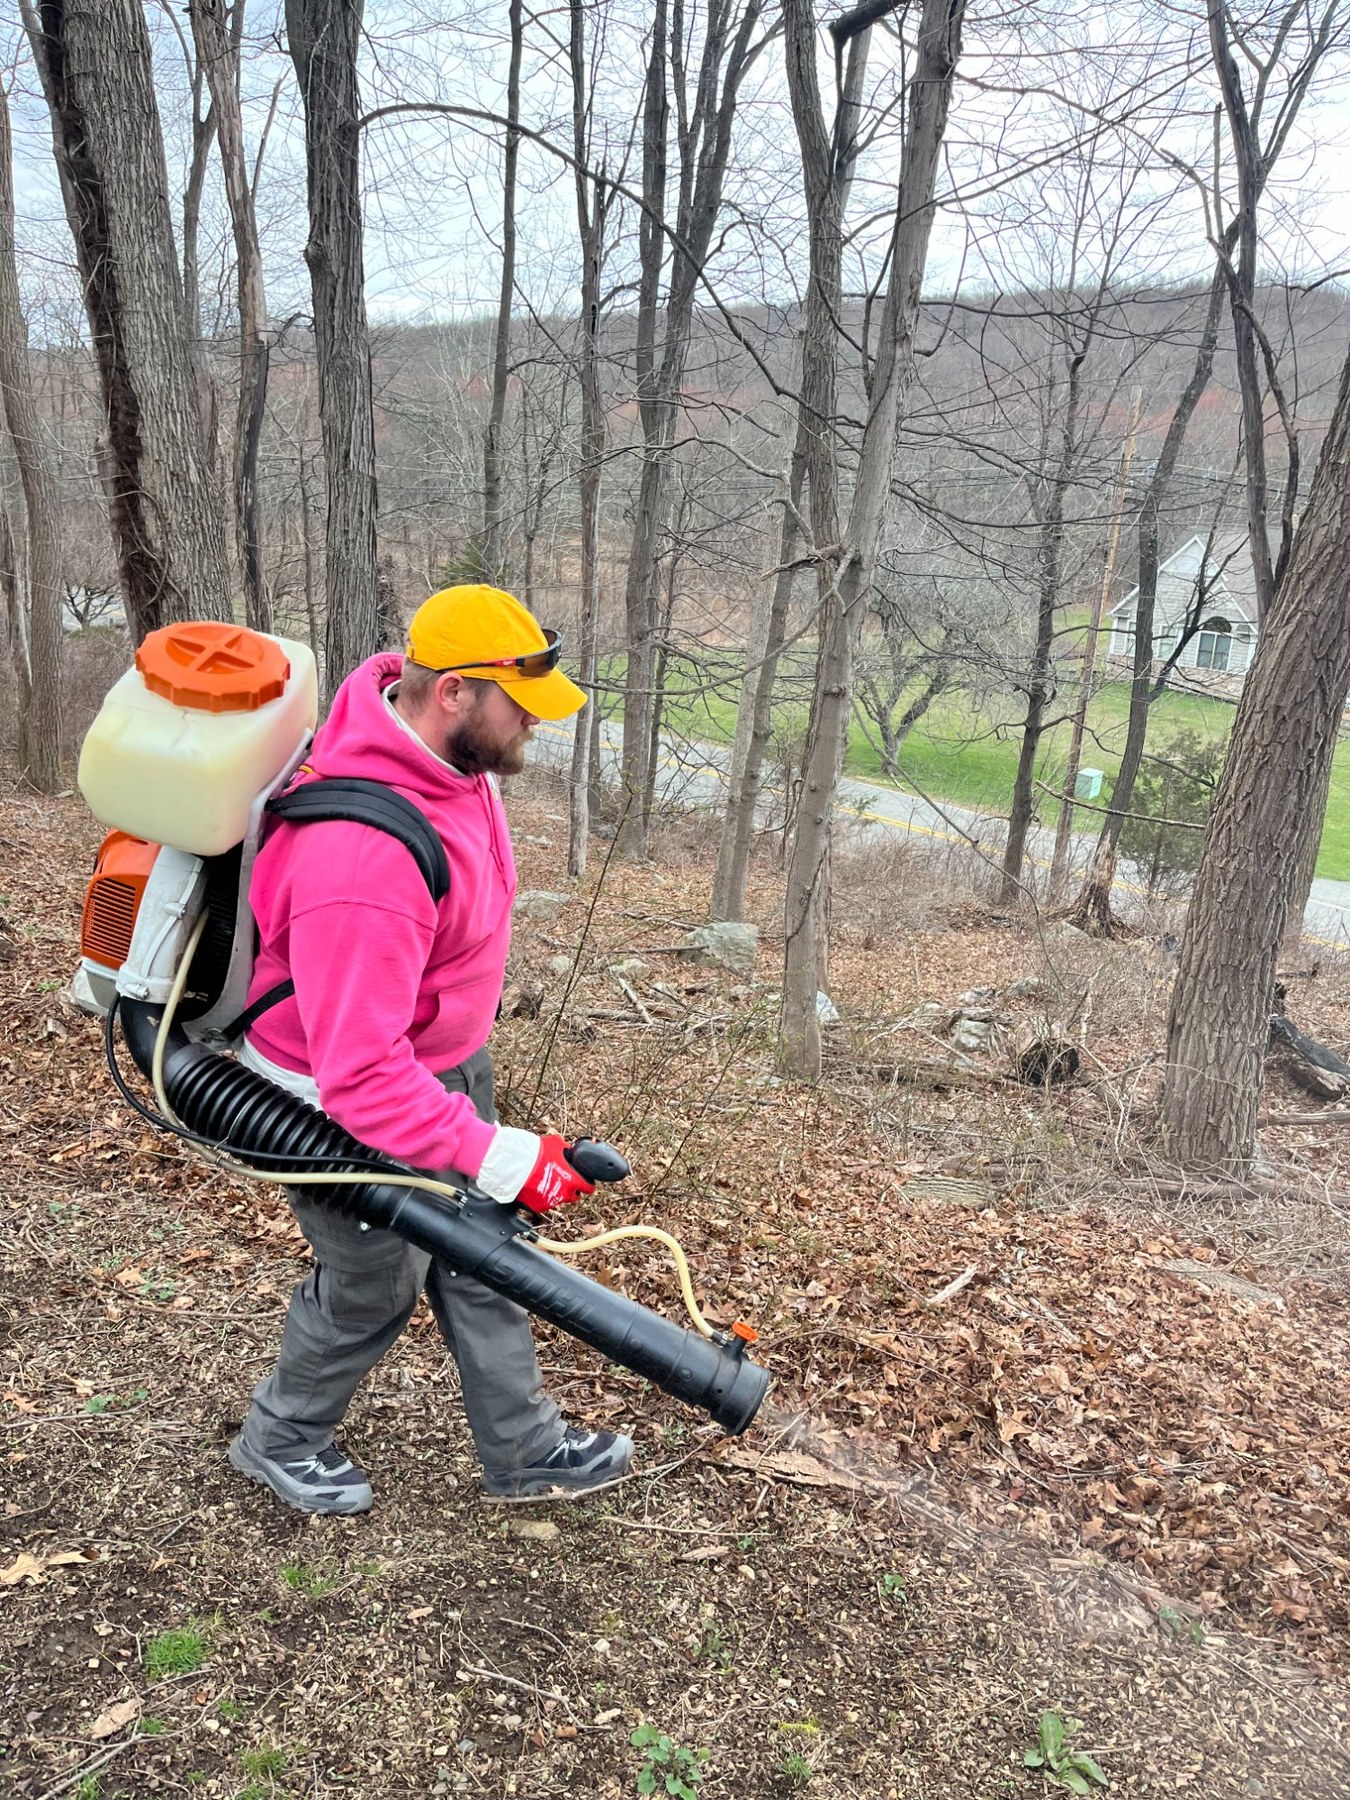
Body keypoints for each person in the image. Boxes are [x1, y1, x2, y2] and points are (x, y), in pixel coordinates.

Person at [226, 584, 633, 1514]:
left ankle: (524, 1449)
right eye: (520, 704)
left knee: (486, 1252)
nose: (535, 722)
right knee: (374, 1283)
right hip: (331, 1098)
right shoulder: (360, 856)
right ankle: (278, 1438)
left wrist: (476, 1130)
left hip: (437, 1063)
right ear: (452, 691)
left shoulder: (455, 758)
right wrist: (497, 1151)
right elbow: (360, 1075)